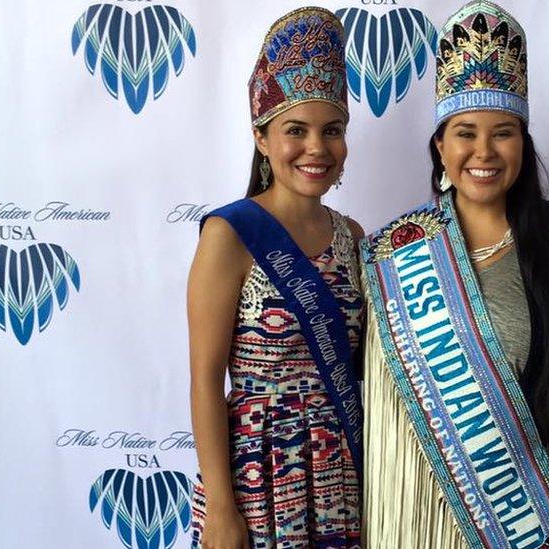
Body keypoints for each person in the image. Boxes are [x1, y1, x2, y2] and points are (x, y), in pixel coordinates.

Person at [359, 1, 549, 547]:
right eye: (465, 133)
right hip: (414, 510)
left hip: (530, 517)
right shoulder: (394, 251)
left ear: (523, 143)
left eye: (503, 133)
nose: (484, 152)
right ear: (440, 145)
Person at [187, 7, 365, 549]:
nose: (317, 147)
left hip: (341, 473)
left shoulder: (353, 236)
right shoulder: (230, 233)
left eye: (331, 130)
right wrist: (221, 506)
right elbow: (205, 379)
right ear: (263, 139)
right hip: (256, 476)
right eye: (296, 130)